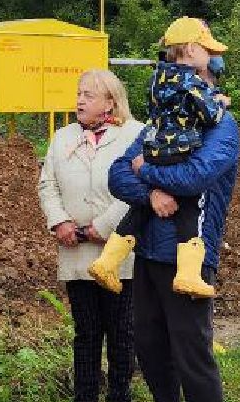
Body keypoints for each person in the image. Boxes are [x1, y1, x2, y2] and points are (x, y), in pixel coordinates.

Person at [106, 17, 240, 402]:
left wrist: (151, 178)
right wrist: (150, 193)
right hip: (150, 252)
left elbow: (194, 179)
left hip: (191, 257)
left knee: (192, 353)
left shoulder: (223, 127)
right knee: (149, 344)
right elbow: (117, 175)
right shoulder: (161, 125)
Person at [85, 23, 230, 299]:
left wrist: (146, 176)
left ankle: (107, 262)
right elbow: (209, 115)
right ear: (190, 49)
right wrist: (220, 103)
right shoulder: (191, 83)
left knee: (138, 211)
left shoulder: (159, 78)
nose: (210, 56)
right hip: (180, 149)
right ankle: (188, 275)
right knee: (191, 207)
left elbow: (158, 115)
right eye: (207, 50)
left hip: (155, 147)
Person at [38, 69, 146, 402]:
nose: (79, 100)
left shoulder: (135, 135)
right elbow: (47, 185)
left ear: (110, 102)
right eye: (78, 93)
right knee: (85, 329)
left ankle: (119, 399)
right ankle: (84, 399)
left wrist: (100, 227)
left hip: (116, 248)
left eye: (88, 94)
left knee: (120, 327)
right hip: (75, 249)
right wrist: (61, 223)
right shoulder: (63, 137)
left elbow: (136, 189)